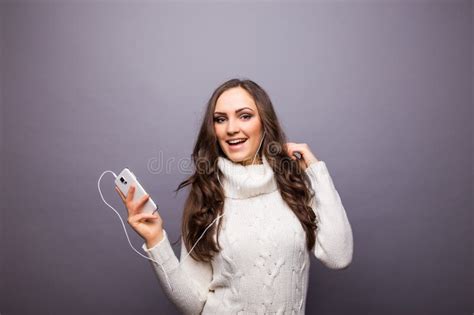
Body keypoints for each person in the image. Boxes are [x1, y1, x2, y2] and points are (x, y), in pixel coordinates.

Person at [115, 78, 354, 314]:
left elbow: (338, 256)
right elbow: (193, 304)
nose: (231, 129)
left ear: (264, 122)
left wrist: (316, 171)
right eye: (220, 119)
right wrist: (156, 241)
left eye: (245, 116)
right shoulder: (206, 196)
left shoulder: (294, 186)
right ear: (213, 129)